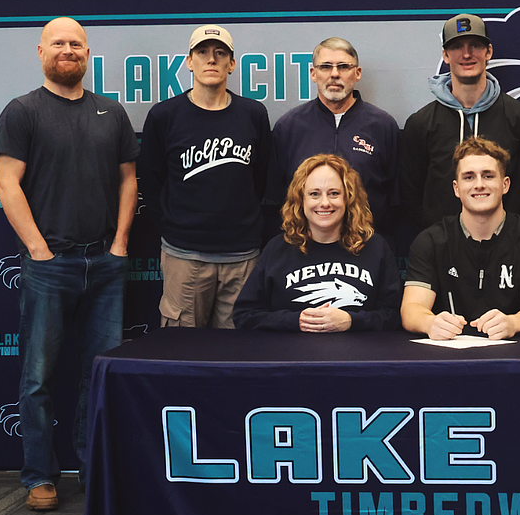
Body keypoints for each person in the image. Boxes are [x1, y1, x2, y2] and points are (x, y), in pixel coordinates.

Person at [0, 17, 139, 509]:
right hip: (49, 265)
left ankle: (93, 468)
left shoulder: (110, 112)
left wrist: (119, 244)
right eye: (59, 43)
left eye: (76, 43)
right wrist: (38, 249)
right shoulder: (22, 112)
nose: (68, 50)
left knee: (101, 372)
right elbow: (6, 184)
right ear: (40, 52)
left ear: (87, 53)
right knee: (38, 376)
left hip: (105, 262)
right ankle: (39, 475)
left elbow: (128, 180)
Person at [137, 24, 273, 329]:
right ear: (188, 62)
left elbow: (262, 179)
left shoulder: (253, 114)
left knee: (239, 358)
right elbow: (151, 180)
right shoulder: (165, 115)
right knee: (182, 354)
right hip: (185, 257)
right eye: (202, 52)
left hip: (242, 258)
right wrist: (176, 227)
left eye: (220, 53)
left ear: (232, 64)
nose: (211, 60)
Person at [399, 13, 520, 231]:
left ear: (488, 52)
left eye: (476, 45)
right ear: (445, 55)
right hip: (444, 249)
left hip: (510, 247)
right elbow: (411, 194)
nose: (467, 54)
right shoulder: (420, 124)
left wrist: (513, 233)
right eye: (457, 46)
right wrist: (439, 234)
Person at [401, 137, 520, 340]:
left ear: (505, 184)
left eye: (488, 176)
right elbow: (411, 309)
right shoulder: (430, 241)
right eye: (469, 177)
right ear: (456, 188)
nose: (479, 185)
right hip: (448, 356)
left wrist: (514, 322)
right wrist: (430, 323)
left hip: (513, 356)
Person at [234, 154, 400, 332]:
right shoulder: (277, 249)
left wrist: (352, 321)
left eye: (334, 193)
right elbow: (245, 315)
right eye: (314, 194)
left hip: (357, 357)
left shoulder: (375, 248)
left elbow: (394, 316)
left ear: (348, 198)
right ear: (301, 200)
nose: (325, 203)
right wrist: (296, 321)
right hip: (291, 357)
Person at [271, 37, 398, 233]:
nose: (335, 74)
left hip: (366, 245)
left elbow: (395, 197)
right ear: (313, 74)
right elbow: (276, 196)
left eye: (344, 67)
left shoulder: (382, 126)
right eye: (325, 67)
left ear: (357, 73)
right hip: (305, 247)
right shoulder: (289, 127)